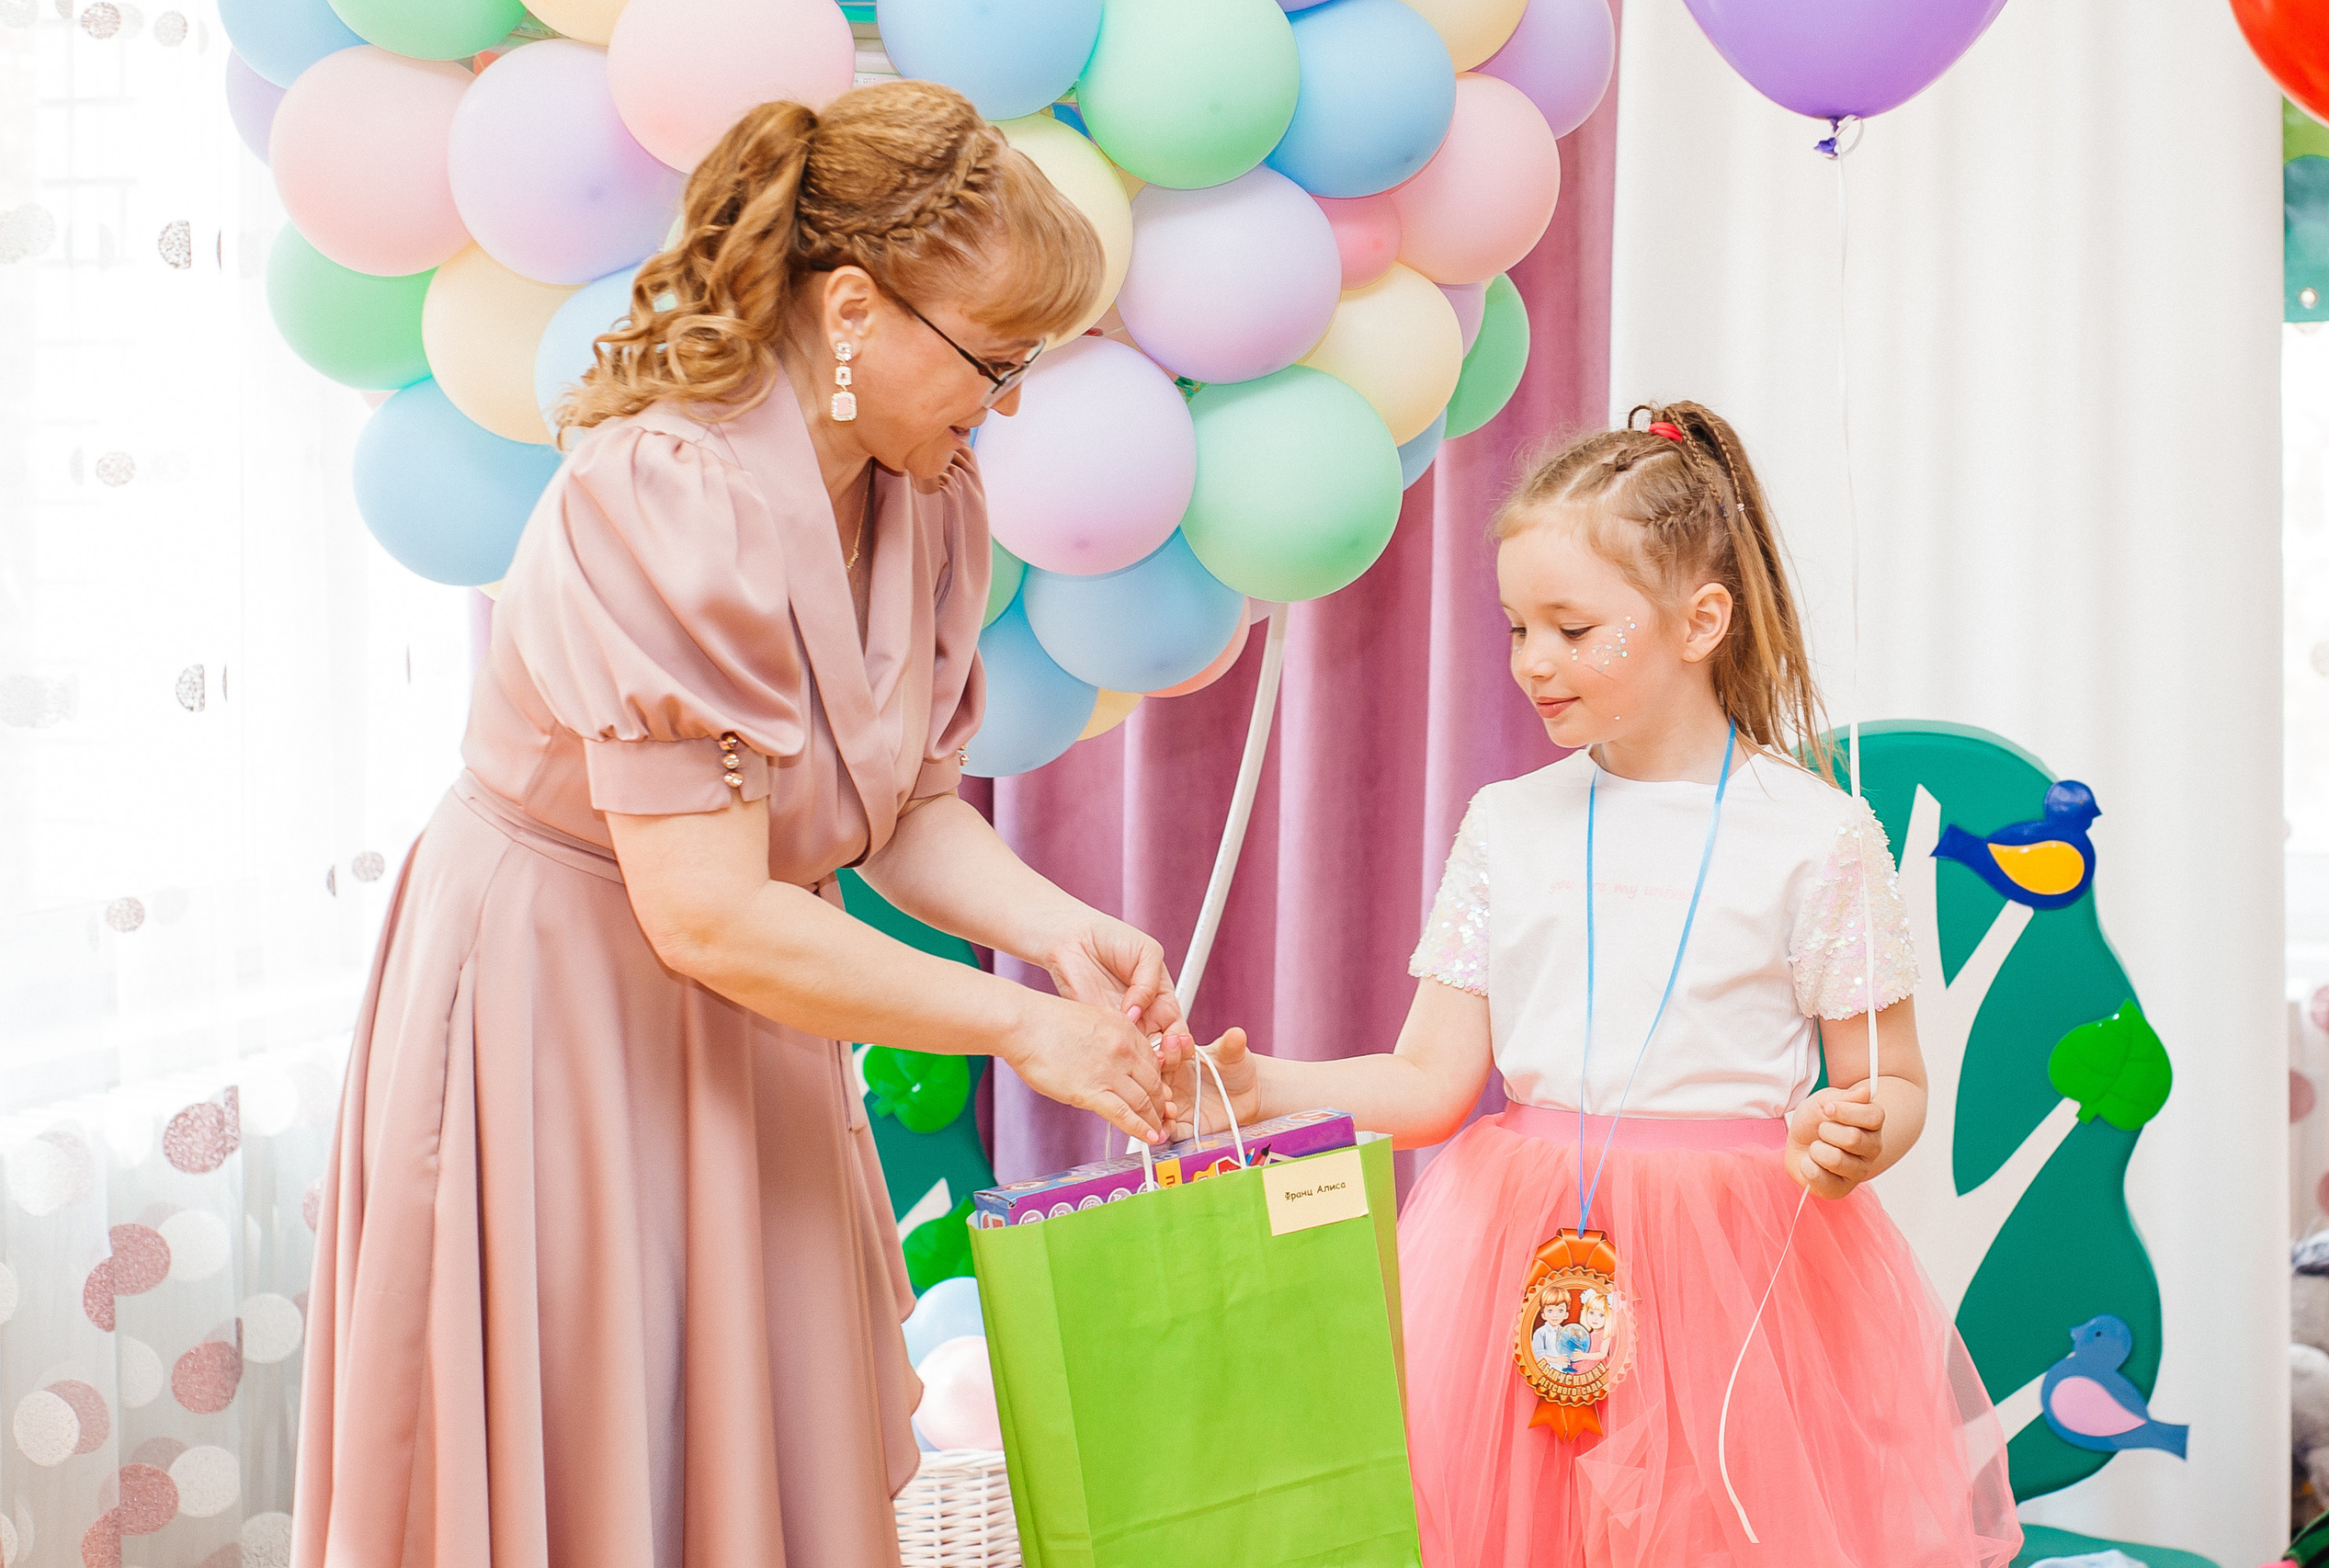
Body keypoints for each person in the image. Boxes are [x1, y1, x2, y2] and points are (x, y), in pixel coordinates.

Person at [294, 82, 1191, 1568]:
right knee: (582, 1458)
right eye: (992, 359)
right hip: (560, 1011)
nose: (1009, 402)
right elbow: (702, 907)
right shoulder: (663, 498)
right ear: (852, 312)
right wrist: (1018, 1029)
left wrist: (1054, 931)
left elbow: (896, 809)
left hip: (763, 993)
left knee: (745, 1457)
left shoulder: (931, 501)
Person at [1173, 404, 2022, 1565]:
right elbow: (1427, 1082)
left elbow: (1896, 1080)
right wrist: (1255, 1082)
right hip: (1517, 1260)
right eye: (1519, 626)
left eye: (1572, 627)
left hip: (1738, 1285)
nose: (1533, 660)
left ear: (1699, 620)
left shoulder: (1816, 837)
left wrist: (1859, 1128)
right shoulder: (1507, 824)